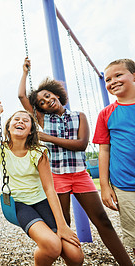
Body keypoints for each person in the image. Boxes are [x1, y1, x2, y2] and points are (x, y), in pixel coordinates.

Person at [18, 57, 133, 265]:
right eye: (41, 103)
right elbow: (21, 96)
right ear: (40, 109)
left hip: (80, 174)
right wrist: (25, 72)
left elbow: (81, 144)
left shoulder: (79, 116)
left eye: (48, 95)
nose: (46, 101)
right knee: (64, 224)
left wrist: (48, 138)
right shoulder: (44, 120)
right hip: (57, 178)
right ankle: (72, 260)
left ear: (56, 93)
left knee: (102, 221)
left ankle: (126, 263)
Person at [0, 105, 84, 265]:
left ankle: (47, 246)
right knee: (52, 246)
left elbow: (49, 189)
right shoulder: (2, 150)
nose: (20, 122)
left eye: (26, 120)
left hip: (41, 201)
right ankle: (45, 250)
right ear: (8, 127)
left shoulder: (38, 152)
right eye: (16, 119)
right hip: (18, 204)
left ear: (31, 130)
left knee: (75, 256)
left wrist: (63, 225)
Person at [93, 58, 135, 258]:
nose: (112, 81)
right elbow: (104, 151)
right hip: (125, 184)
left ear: (134, 76)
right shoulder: (106, 114)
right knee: (134, 234)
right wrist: (104, 185)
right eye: (108, 79)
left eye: (119, 75)